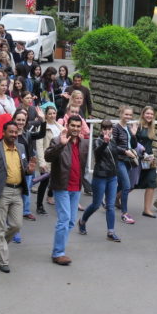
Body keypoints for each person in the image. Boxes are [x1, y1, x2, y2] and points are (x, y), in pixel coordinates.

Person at [0, 120, 37, 273]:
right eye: (10, 132)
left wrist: (30, 170)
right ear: (3, 133)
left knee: (17, 225)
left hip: (17, 192)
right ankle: (3, 260)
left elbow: (24, 169)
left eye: (15, 132)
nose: (13, 135)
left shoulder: (21, 147)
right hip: (1, 192)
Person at [44, 114, 90, 266]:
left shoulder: (84, 143)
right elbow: (48, 157)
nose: (76, 129)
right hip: (62, 186)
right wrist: (61, 145)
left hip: (76, 187)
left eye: (78, 126)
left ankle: (59, 247)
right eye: (73, 126)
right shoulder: (58, 140)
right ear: (67, 126)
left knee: (70, 222)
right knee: (64, 220)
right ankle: (58, 253)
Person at [78, 119, 124, 243]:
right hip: (100, 177)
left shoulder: (113, 140)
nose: (107, 131)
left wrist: (127, 151)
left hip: (112, 177)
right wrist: (104, 142)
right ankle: (82, 221)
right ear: (101, 129)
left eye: (109, 129)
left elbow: (117, 150)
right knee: (96, 204)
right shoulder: (97, 141)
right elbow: (97, 154)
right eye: (105, 129)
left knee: (110, 206)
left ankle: (111, 232)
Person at [112, 107, 140, 225]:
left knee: (121, 184)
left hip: (128, 160)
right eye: (126, 114)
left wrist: (133, 134)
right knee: (127, 186)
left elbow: (133, 145)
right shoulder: (116, 128)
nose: (128, 117)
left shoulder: (128, 128)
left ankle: (108, 201)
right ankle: (124, 213)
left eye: (130, 115)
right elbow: (112, 146)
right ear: (121, 114)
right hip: (119, 160)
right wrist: (124, 151)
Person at [35, 103, 62, 215]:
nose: (52, 115)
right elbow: (39, 145)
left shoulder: (60, 127)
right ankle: (39, 205)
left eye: (54, 113)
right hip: (47, 158)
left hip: (59, 159)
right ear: (45, 115)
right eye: (49, 113)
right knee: (44, 182)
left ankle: (51, 197)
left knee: (57, 181)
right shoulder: (42, 127)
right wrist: (42, 162)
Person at [135, 106, 157, 218]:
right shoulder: (137, 125)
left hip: (149, 158)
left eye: (151, 114)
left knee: (151, 182)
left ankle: (147, 209)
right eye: (147, 113)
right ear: (143, 114)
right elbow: (133, 141)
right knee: (133, 184)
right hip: (138, 157)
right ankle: (116, 198)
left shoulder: (152, 127)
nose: (149, 116)